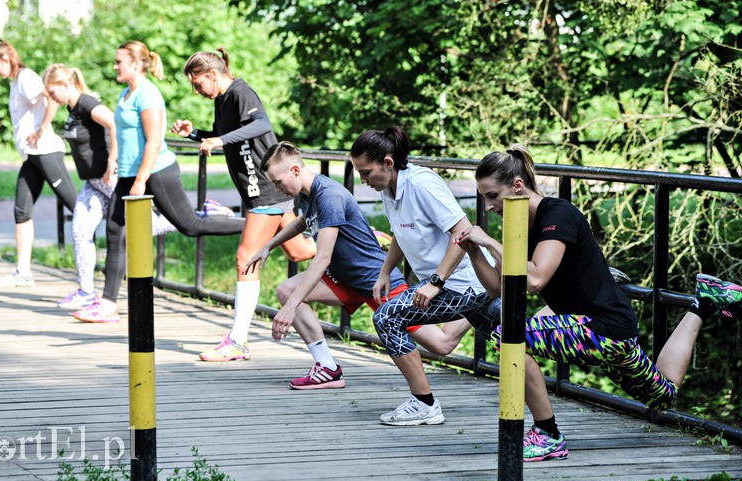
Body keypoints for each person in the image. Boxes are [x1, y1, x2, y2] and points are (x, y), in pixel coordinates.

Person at [455, 144, 742, 462]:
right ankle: (705, 302)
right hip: (594, 329)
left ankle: (548, 434)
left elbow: (534, 279)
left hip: (605, 328)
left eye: (493, 195)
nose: (488, 206)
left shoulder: (557, 215)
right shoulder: (519, 224)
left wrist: (490, 241)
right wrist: (474, 252)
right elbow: (499, 288)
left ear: (518, 186)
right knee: (663, 395)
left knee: (509, 336)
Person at [243, 142, 475, 389]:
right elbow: (303, 221)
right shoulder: (307, 194)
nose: (277, 189)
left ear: (296, 171)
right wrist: (269, 245)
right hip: (344, 278)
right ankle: (328, 368)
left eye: (278, 182)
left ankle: (484, 298)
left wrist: (290, 308)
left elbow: (322, 259)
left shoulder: (329, 195)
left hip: (373, 280)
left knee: (441, 344)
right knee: (287, 290)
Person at [73, 41, 245, 323]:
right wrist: (115, 160)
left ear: (136, 64)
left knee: (190, 226)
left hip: (156, 172)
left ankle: (250, 225)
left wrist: (141, 180)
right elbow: (122, 134)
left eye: (119, 62)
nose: (115, 66)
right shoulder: (125, 94)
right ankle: (107, 304)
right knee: (115, 232)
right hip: (128, 174)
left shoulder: (148, 94)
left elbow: (154, 141)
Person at [350, 127, 501, 426]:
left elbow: (462, 231)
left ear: (388, 163)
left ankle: (424, 404)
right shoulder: (389, 189)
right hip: (458, 285)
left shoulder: (422, 184)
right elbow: (400, 232)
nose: (363, 180)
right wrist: (384, 272)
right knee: (514, 342)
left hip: (465, 284)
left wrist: (436, 282)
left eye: (366, 172)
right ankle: (546, 422)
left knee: (387, 318)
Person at [171, 49, 316, 361]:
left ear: (213, 75)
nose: (197, 91)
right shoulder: (222, 100)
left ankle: (237, 341)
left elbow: (261, 124)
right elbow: (227, 134)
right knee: (300, 251)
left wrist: (220, 141)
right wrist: (195, 134)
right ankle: (358, 236)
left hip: (266, 188)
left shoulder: (240, 92)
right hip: (258, 191)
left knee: (245, 259)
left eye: (198, 84)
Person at [42, 63, 179, 309]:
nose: (51, 98)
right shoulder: (72, 108)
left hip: (109, 178)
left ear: (65, 84)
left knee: (145, 225)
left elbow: (114, 123)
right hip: (92, 182)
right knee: (81, 230)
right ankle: (86, 291)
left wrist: (112, 160)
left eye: (52, 92)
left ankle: (185, 218)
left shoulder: (87, 104)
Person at [0, 40, 78, 287]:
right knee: (21, 210)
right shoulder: (16, 81)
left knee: (77, 207)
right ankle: (23, 273)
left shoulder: (26, 78)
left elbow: (53, 98)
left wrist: (42, 129)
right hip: (32, 156)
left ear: (6, 59)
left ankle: (112, 253)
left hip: (46, 152)